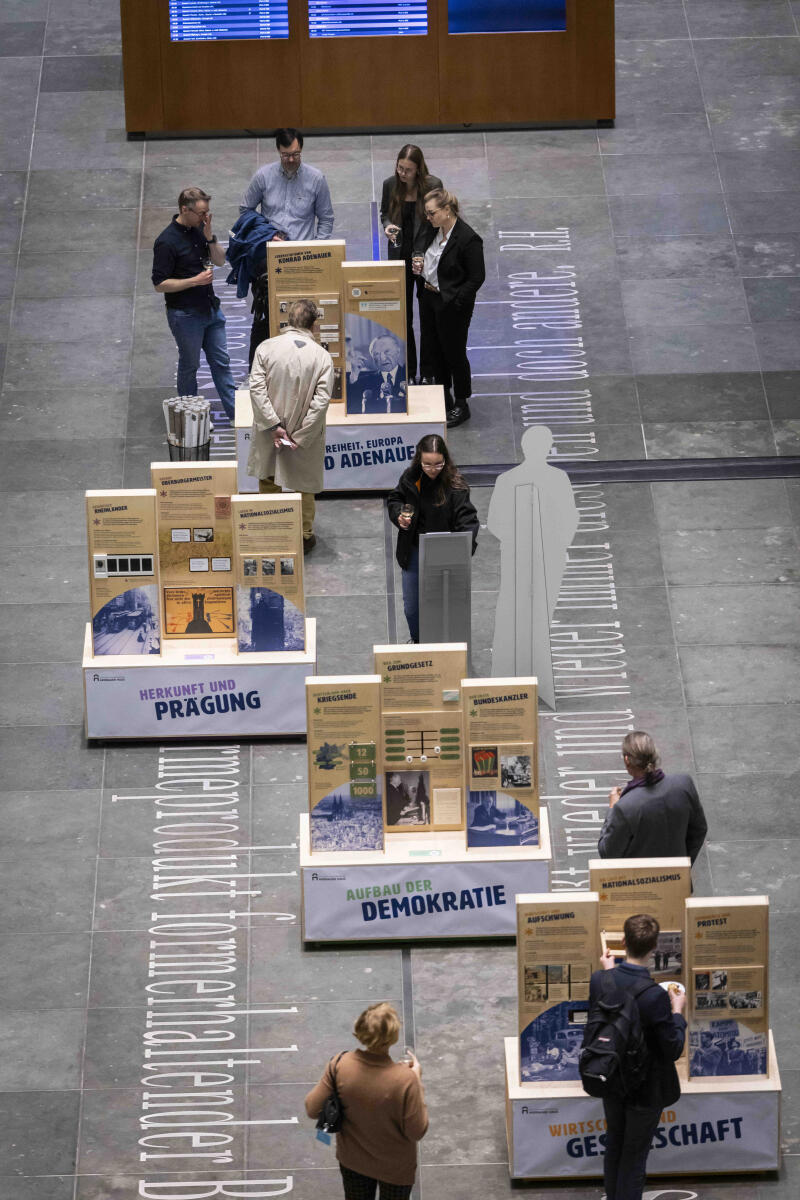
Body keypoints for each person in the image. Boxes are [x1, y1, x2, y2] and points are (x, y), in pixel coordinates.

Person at [590, 914, 686, 1200]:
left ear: (623, 942)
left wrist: (608, 971)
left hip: (612, 1078)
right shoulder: (656, 996)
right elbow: (672, 1048)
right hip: (645, 1089)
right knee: (634, 1158)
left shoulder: (601, 980)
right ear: (654, 948)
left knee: (615, 1147)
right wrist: (677, 1013)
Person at [305, 1002, 428, 1200]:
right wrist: (417, 1081)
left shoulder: (339, 1064)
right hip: (396, 1168)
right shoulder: (405, 1080)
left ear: (359, 1030)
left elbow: (312, 1108)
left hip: (354, 1161)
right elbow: (417, 1131)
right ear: (392, 1037)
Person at [239, 128, 335, 367]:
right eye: (286, 155)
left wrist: (317, 251)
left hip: (303, 260)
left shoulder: (316, 179)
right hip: (270, 258)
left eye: (295, 154)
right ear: (278, 152)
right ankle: (257, 374)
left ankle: (302, 370)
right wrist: (266, 234)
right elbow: (245, 211)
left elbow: (326, 218)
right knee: (265, 319)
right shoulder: (263, 177)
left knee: (301, 320)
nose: (291, 160)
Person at [247, 298, 334, 553]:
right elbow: (321, 402)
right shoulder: (322, 357)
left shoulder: (266, 348)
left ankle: (272, 529)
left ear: (288, 321)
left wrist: (273, 425)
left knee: (268, 478)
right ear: (314, 324)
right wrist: (300, 435)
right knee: (303, 484)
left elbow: (256, 389)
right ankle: (304, 535)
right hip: (302, 435)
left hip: (268, 430)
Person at [151, 186, 236, 420]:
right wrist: (193, 281)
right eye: (201, 213)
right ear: (184, 210)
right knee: (190, 366)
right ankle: (192, 419)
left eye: (207, 212)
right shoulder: (166, 242)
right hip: (185, 315)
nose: (205, 217)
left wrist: (209, 236)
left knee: (222, 362)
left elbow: (220, 261)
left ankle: (236, 416)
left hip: (210, 309)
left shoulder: (201, 230)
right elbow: (159, 284)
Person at [387, 434, 479, 642]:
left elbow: (468, 521)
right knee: (412, 607)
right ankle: (419, 643)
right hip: (413, 550)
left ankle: (443, 647)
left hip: (443, 553)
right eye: (427, 464)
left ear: (445, 460)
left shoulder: (456, 486)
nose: (432, 469)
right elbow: (395, 498)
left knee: (443, 607)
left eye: (438, 464)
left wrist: (460, 549)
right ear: (419, 459)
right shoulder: (411, 477)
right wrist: (398, 515)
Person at [413, 188, 485, 428]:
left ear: (447, 210)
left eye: (432, 213)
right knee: (434, 350)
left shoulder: (468, 239)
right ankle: (443, 398)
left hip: (451, 304)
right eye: (427, 213)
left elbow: (477, 277)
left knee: (453, 352)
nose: (428, 217)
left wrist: (456, 300)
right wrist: (420, 264)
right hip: (429, 297)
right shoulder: (432, 230)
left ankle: (461, 403)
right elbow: (422, 250)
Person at [379, 145, 442, 383]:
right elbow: (385, 212)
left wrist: (422, 255)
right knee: (402, 316)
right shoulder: (390, 184)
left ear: (418, 170)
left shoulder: (433, 185)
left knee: (427, 316)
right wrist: (387, 225)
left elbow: (435, 223)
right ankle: (407, 371)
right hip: (398, 256)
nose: (402, 174)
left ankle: (427, 372)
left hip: (424, 256)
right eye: (400, 168)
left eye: (408, 170)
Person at [598, 731, 708, 863]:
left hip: (638, 882)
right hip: (676, 879)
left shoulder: (624, 808)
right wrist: (682, 866)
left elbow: (608, 853)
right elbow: (699, 830)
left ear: (627, 760)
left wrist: (612, 808)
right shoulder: (684, 784)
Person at [347, 332, 407, 413]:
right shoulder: (365, 381)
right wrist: (354, 375)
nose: (382, 358)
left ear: (398, 352)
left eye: (387, 351)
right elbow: (351, 407)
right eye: (376, 354)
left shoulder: (407, 375)